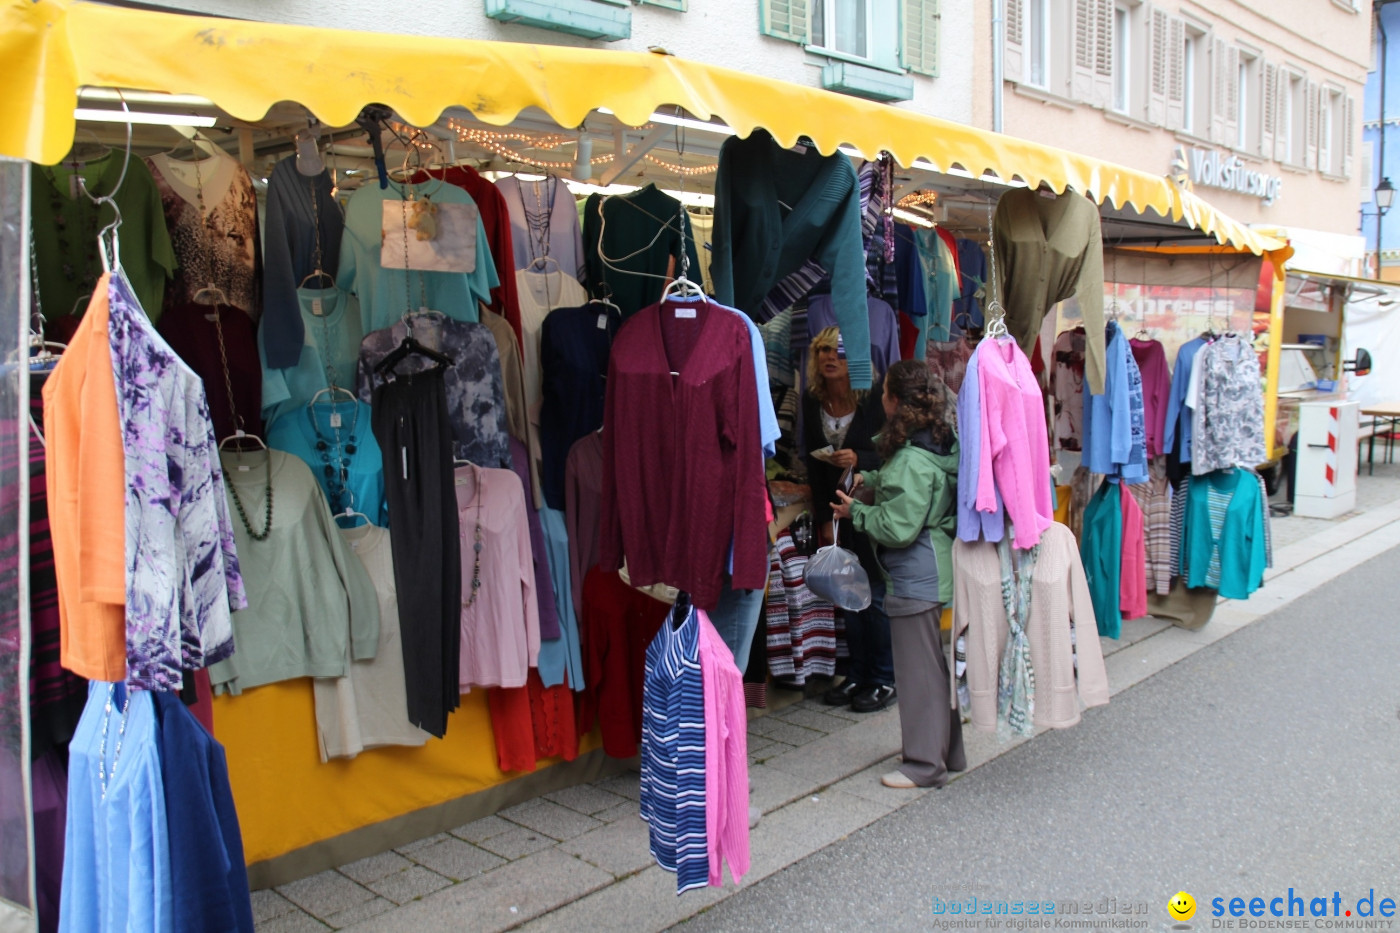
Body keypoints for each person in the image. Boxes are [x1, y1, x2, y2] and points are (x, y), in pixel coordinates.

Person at [832, 359, 966, 789]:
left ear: (894, 401)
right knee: (931, 665)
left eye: (883, 390)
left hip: (915, 571)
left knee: (918, 672)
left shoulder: (911, 457)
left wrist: (858, 511)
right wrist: (874, 480)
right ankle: (947, 753)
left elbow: (899, 526)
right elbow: (911, 493)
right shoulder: (938, 442)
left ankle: (925, 765)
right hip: (931, 565)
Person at [801, 327, 894, 713]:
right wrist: (824, 518)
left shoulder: (873, 398)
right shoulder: (811, 400)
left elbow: (895, 451)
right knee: (845, 594)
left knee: (872, 594)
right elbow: (811, 460)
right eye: (822, 350)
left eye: (838, 350)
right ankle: (856, 671)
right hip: (836, 511)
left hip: (871, 506)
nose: (829, 357)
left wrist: (860, 458)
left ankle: (884, 677)